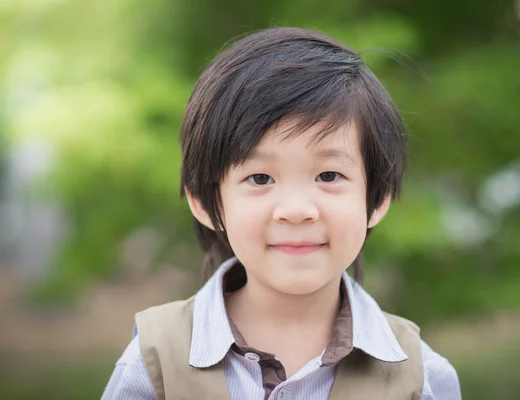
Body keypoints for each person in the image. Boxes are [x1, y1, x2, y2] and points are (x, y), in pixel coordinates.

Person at [101, 27, 461, 400]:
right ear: (206, 202)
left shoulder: (421, 377)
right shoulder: (155, 362)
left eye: (329, 175)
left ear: (378, 196)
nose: (296, 211)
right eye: (260, 178)